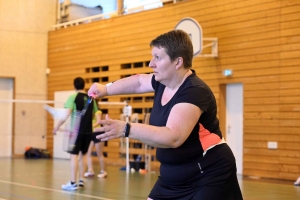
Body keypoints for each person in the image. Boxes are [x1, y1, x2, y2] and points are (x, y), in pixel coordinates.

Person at [88, 30, 243, 199]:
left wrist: (126, 129)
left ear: (178, 62)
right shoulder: (162, 82)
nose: (151, 64)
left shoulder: (194, 91)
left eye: (158, 57)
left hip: (208, 174)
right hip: (173, 176)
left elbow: (173, 137)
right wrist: (105, 89)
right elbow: (139, 82)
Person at [53, 77, 101, 191]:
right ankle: (81, 181)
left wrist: (57, 126)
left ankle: (73, 182)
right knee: (83, 155)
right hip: (88, 132)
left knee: (74, 155)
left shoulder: (73, 97)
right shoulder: (90, 98)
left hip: (76, 132)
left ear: (74, 86)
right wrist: (93, 124)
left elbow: (66, 114)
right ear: (84, 86)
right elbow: (98, 115)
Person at [84, 109, 108, 178]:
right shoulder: (88, 112)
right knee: (88, 153)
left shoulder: (97, 111)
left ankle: (103, 171)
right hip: (90, 133)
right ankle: (90, 171)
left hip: (98, 133)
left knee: (99, 153)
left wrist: (89, 127)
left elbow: (98, 122)